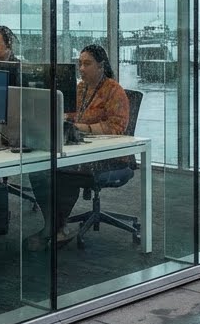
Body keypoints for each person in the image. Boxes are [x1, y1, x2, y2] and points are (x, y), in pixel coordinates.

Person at [26, 44, 130, 250]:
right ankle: (55, 225)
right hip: (77, 148)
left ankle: (55, 227)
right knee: (38, 171)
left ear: (101, 66)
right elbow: (71, 115)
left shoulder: (114, 91)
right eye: (79, 64)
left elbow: (116, 128)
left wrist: (82, 128)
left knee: (62, 173)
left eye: (87, 64)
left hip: (108, 156)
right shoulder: (79, 88)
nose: (81, 69)